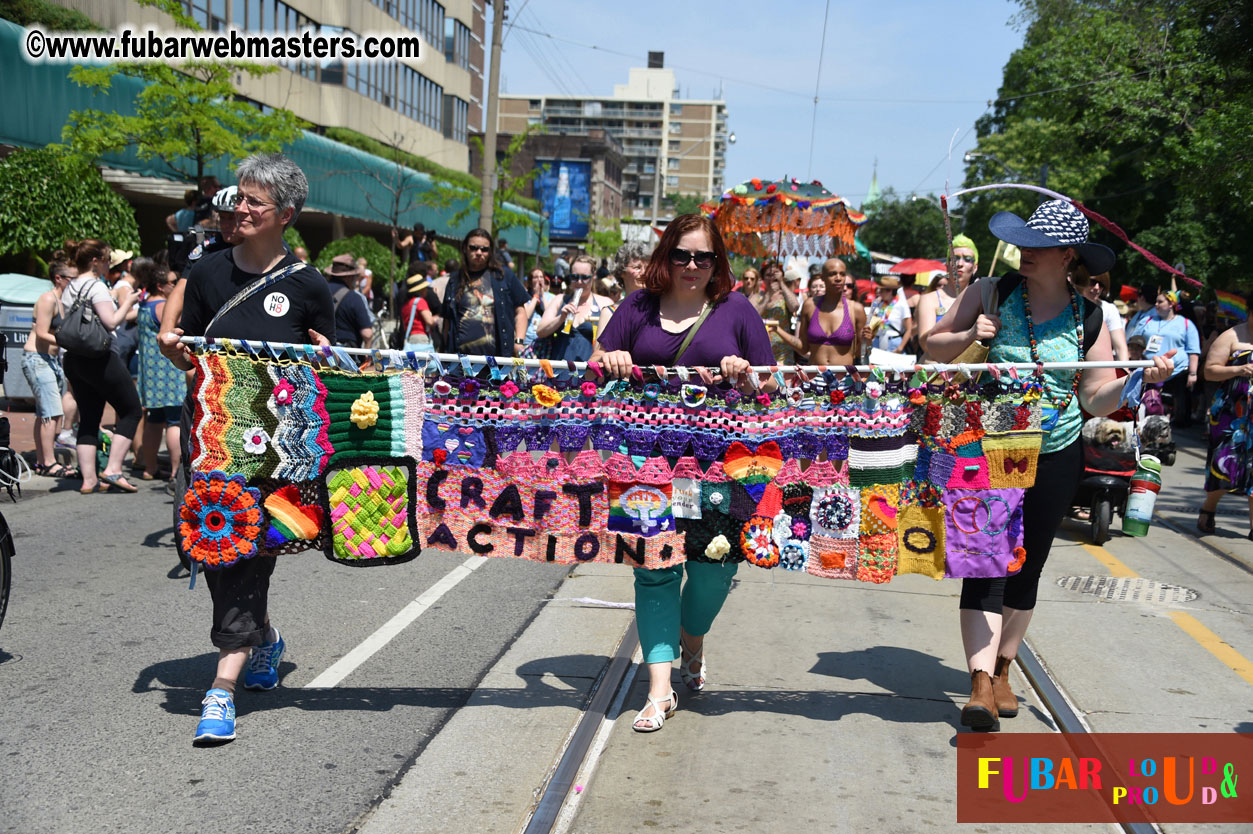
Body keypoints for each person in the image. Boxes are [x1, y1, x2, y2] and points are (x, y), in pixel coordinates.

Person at [926, 200, 1174, 731]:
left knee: (1026, 566)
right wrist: (972, 335)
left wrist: (1138, 379)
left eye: (1037, 247)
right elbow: (933, 346)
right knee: (984, 565)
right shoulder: (989, 292)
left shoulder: (1090, 316)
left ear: (1068, 257)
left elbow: (1096, 396)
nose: (1024, 254)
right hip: (985, 446)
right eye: (1023, 244)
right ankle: (977, 684)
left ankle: (1002, 670)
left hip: (1056, 452)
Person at [159, 152, 335, 745]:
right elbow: (190, 356)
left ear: (285, 214)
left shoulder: (310, 285)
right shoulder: (208, 273)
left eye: (254, 200)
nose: (241, 207)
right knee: (206, 546)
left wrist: (323, 356)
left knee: (245, 547)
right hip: (210, 435)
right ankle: (263, 636)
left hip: (273, 446)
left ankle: (222, 686)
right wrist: (175, 352)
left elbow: (324, 371)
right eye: (239, 197)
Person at [590, 213, 773, 733]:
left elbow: (772, 387)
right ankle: (659, 689)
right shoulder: (637, 306)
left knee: (716, 570)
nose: (692, 265)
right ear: (665, 256)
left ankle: (692, 636)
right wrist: (614, 356)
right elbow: (597, 359)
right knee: (652, 569)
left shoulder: (736, 309)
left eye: (704, 257)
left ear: (717, 263)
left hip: (717, 467)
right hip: (643, 461)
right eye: (682, 255)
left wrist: (746, 375)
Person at [60, 239, 142, 494]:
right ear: (95, 261)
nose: (109, 264)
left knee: (89, 417)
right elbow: (111, 322)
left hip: (74, 359)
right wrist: (129, 302)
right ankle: (113, 469)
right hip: (99, 358)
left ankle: (89, 480)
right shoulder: (96, 287)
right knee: (131, 410)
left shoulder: (70, 286)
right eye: (107, 259)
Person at [1196, 297, 1253, 539]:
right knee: (1223, 463)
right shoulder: (1231, 336)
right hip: (1231, 411)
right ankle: (1209, 508)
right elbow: (1209, 371)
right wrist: (1239, 369)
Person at [130, 258, 185, 486]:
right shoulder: (162, 307)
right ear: (161, 286)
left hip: (150, 373)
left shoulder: (145, 304)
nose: (175, 285)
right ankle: (175, 471)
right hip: (168, 372)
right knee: (174, 422)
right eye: (172, 282)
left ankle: (149, 467)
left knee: (154, 419)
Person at [22, 259, 77, 478]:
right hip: (37, 358)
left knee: (47, 413)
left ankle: (43, 459)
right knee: (51, 413)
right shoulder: (47, 299)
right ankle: (48, 462)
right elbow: (43, 332)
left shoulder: (63, 300)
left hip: (50, 360)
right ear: (58, 278)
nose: (74, 283)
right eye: (70, 279)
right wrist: (70, 341)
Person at [440, 228, 529, 357]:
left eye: (484, 249)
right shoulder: (455, 280)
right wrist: (443, 353)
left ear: (490, 251)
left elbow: (520, 311)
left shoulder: (504, 275)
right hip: (460, 361)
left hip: (498, 361)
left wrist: (519, 341)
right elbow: (447, 321)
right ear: (465, 248)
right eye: (473, 248)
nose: (479, 252)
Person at [1130, 289, 1201, 425]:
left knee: (1175, 406)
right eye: (1156, 301)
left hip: (1176, 371)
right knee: (1149, 403)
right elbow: (1133, 341)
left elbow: (1193, 351)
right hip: (1148, 368)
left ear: (1171, 304)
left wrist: (1193, 373)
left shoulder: (1186, 324)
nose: (1156, 304)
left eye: (1160, 301)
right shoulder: (1147, 320)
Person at [535, 255, 614, 363]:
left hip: (590, 373)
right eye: (575, 277)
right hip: (558, 371)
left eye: (585, 277)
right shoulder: (559, 300)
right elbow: (540, 331)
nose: (579, 282)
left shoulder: (604, 303)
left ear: (593, 276)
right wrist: (561, 318)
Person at [916, 234, 978, 354]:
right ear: (947, 265)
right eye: (954, 258)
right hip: (935, 368)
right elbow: (926, 344)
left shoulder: (981, 299)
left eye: (967, 259)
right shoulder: (929, 299)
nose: (960, 263)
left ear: (975, 267)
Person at [795, 268, 865, 366]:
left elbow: (860, 352)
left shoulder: (857, 310)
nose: (844, 288)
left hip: (844, 375)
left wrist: (867, 341)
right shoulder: (810, 306)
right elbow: (802, 346)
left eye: (849, 286)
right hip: (815, 373)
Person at [1072, 267, 1129, 361]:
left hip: (1099, 365)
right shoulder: (1067, 307)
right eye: (1092, 282)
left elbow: (1120, 347)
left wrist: (1125, 371)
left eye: (1101, 285)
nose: (1097, 288)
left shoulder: (1109, 309)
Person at [752, 260, 802, 362]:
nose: (772, 278)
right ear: (763, 278)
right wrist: (768, 295)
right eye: (768, 275)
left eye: (775, 274)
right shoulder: (757, 297)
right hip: (760, 352)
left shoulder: (785, 296)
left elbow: (795, 306)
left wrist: (781, 283)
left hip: (783, 354)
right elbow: (752, 315)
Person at [325, 254, 374, 349]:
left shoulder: (318, 292)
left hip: (319, 353)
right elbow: (367, 334)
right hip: (346, 354)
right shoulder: (354, 298)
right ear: (349, 277)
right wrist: (368, 357)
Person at [864, 275, 914, 354]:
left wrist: (900, 348)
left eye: (882, 291)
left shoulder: (901, 305)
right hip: (878, 341)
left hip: (893, 342)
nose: (880, 293)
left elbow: (909, 329)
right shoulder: (880, 304)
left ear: (890, 291)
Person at [398, 274, 437, 351]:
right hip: (421, 339)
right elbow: (430, 321)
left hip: (410, 338)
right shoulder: (420, 302)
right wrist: (436, 318)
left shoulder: (406, 305)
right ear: (421, 290)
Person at [521, 268, 556, 353]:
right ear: (530, 282)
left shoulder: (551, 297)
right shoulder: (524, 296)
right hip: (528, 342)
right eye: (535, 277)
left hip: (546, 342)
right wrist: (536, 296)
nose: (539, 280)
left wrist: (542, 295)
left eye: (541, 277)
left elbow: (549, 314)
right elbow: (527, 315)